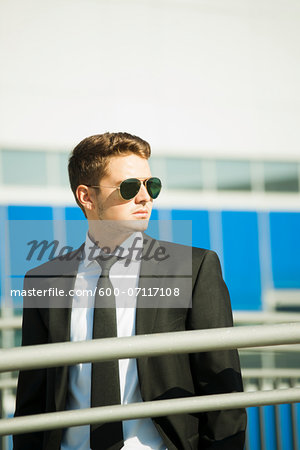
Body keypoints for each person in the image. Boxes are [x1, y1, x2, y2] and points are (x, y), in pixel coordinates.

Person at [14, 132, 247, 449]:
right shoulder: (45, 280)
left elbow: (222, 386)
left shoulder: (192, 268)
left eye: (151, 186)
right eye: (128, 187)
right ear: (87, 196)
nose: (145, 197)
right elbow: (33, 399)